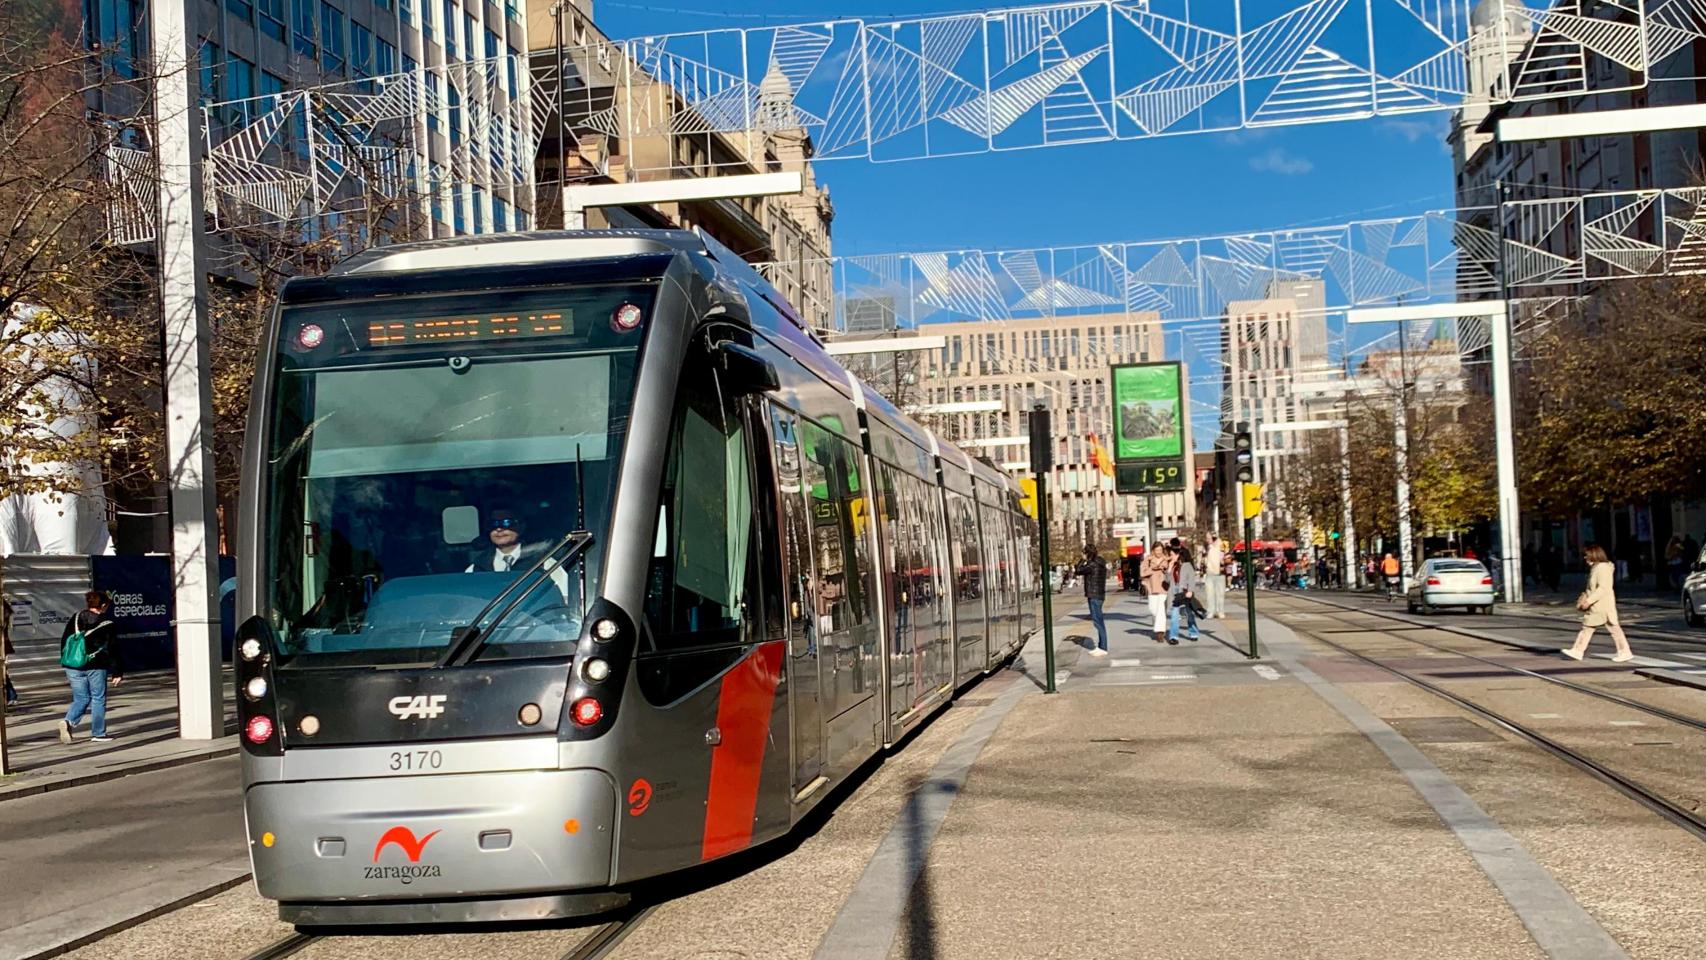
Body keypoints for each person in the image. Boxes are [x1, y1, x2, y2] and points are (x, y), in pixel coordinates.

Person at [466, 510, 573, 604]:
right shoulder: (476, 568)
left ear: (521, 526)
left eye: (507, 523)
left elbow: (564, 599)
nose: (499, 529)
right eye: (493, 524)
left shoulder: (544, 562)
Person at [58, 590, 123, 743]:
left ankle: (68, 721)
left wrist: (67, 660)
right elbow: (112, 649)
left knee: (81, 698)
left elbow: (65, 641)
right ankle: (98, 733)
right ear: (104, 605)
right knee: (98, 698)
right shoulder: (108, 624)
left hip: (73, 665)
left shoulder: (75, 618)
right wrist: (117, 672)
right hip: (96, 665)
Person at [1562, 543, 1633, 663]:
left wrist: (1589, 601)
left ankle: (1578, 650)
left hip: (1601, 605)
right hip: (1600, 605)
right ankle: (1624, 651)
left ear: (1594, 555)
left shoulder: (1602, 568)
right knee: (1609, 628)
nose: (1585, 558)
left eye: (1586, 555)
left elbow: (1603, 588)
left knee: (1590, 627)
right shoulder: (1597, 568)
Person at [1076, 545, 1109, 657]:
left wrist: (1082, 560)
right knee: (1098, 620)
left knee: (1097, 621)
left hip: (1094, 595)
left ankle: (1103, 647)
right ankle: (1101, 646)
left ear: (1087, 553)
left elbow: (1078, 570)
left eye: (1084, 553)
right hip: (1099, 594)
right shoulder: (1100, 563)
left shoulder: (1091, 565)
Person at [1167, 546, 1202, 645]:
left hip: (1185, 592)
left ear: (1178, 555)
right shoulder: (1173, 566)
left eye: (1172, 555)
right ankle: (1173, 636)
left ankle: (1193, 632)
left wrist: (1190, 590)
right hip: (1175, 593)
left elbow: (1191, 579)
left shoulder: (1187, 565)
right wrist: (1169, 569)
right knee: (1174, 615)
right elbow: (1167, 580)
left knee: (1189, 614)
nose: (1170, 557)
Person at [1141, 543, 1171, 644]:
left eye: (1160, 550)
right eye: (1157, 550)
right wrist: (1151, 569)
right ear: (1153, 550)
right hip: (1152, 587)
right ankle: (1158, 626)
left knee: (1161, 610)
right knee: (1153, 609)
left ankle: (1160, 633)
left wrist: (1165, 569)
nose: (1159, 552)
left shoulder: (1167, 559)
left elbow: (1170, 572)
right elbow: (1142, 573)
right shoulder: (1148, 559)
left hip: (1163, 588)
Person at [1203, 539, 1226, 619]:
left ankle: (1220, 611)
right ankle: (1210, 611)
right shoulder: (1207, 548)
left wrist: (1223, 563)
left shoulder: (1221, 545)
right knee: (1209, 594)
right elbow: (1204, 560)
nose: (1208, 539)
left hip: (1220, 573)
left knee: (1220, 594)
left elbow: (1226, 558)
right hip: (1209, 573)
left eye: (1209, 538)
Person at [2, 599, 16, 707]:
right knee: (3, 673)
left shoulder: (3, 611)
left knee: (2, 673)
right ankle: (11, 696)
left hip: (2, 646)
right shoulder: (5, 610)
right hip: (3, 645)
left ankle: (11, 696)